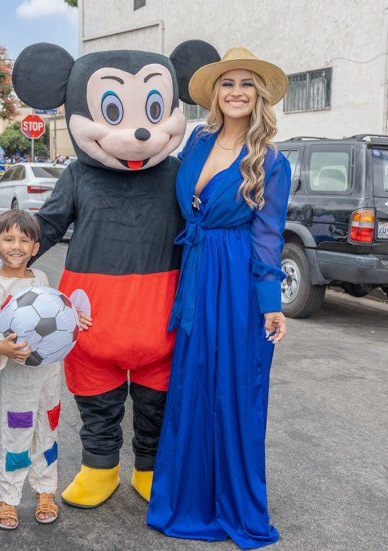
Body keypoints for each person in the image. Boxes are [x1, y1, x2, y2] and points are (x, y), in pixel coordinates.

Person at [147, 48, 291, 550]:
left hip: (235, 278)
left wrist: (269, 301)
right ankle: (186, 497)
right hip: (196, 269)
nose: (235, 91)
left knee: (232, 386)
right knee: (190, 383)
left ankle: (233, 503)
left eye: (246, 84)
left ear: (259, 96)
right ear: (215, 94)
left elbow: (268, 236)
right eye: (227, 83)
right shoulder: (197, 139)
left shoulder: (271, 160)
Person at [0, 210, 92, 529]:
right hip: (18, 378)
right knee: (17, 435)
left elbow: (54, 311)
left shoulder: (40, 278)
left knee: (47, 432)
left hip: (49, 374)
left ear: (35, 248)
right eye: (8, 239)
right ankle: (9, 498)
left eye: (24, 241)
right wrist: (0, 348)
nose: (16, 246)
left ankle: (45, 490)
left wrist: (72, 316)